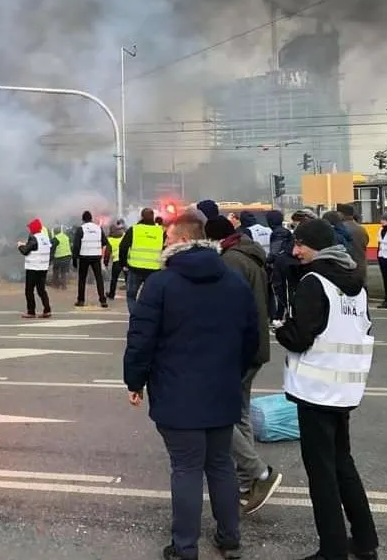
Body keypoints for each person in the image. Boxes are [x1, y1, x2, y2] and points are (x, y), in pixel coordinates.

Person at [124, 210, 259, 560]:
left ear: (182, 240)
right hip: (222, 389)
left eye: (168, 239)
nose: (164, 244)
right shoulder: (232, 280)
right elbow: (251, 338)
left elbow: (141, 338)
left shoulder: (160, 283)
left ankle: (185, 547)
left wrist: (134, 381)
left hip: (177, 393)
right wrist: (232, 373)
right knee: (220, 465)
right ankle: (229, 538)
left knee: (185, 469)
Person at [275, 218, 379, 560]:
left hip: (316, 390)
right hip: (345, 389)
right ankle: (365, 542)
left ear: (315, 246)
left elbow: (301, 336)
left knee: (321, 474)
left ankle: (332, 549)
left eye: (300, 244)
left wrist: (281, 330)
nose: (295, 251)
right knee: (343, 464)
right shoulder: (356, 284)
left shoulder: (314, 282)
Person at [204, 216, 282, 515]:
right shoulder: (249, 253)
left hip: (239, 350)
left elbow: (227, 311)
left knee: (220, 416)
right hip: (254, 346)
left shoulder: (231, 262)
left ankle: (260, 472)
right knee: (240, 414)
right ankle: (248, 480)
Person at [117, 208, 166, 314]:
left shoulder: (134, 229)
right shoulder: (160, 231)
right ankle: (151, 318)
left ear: (141, 217)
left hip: (135, 268)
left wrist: (123, 263)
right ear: (153, 217)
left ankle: (135, 317)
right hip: (154, 270)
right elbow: (167, 248)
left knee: (131, 296)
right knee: (153, 297)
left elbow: (123, 247)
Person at [72, 211, 109, 308]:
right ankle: (103, 300)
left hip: (84, 256)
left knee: (82, 279)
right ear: (91, 218)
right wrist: (105, 257)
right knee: (99, 278)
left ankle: (81, 300)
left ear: (83, 219)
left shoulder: (81, 229)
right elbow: (105, 242)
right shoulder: (98, 228)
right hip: (96, 256)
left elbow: (76, 245)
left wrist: (75, 258)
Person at [19, 218, 53, 319]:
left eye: (30, 228)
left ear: (33, 228)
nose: (29, 230)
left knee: (29, 290)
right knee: (41, 290)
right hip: (43, 268)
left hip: (33, 268)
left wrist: (20, 246)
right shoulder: (45, 238)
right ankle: (47, 310)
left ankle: (31, 311)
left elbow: (25, 251)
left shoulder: (33, 238)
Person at [336, 203, 370, 283]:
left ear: (341, 214)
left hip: (345, 268)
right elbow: (366, 243)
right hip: (360, 267)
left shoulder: (340, 229)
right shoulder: (361, 229)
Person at [105, 220, 126, 299]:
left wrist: (106, 262)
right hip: (125, 261)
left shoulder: (110, 240)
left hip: (116, 261)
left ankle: (111, 294)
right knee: (128, 279)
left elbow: (107, 253)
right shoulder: (124, 235)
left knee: (114, 279)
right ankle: (131, 294)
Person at [50, 225, 72, 290]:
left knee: (56, 271)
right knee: (63, 272)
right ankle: (64, 286)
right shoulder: (66, 237)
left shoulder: (55, 239)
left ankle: (55, 285)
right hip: (68, 257)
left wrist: (50, 260)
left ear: (55, 232)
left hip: (59, 257)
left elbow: (52, 250)